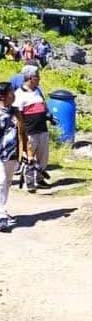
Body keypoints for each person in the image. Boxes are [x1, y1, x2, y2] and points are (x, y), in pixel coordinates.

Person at [13, 66, 54, 189]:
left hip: (42, 128)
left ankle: (40, 179)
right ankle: (29, 182)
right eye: (37, 77)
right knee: (29, 157)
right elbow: (17, 115)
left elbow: (43, 105)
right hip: (29, 130)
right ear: (31, 78)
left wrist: (47, 115)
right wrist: (22, 133)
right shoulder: (19, 94)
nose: (39, 79)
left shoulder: (38, 91)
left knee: (43, 156)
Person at [0, 82, 26, 231]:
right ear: (3, 96)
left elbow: (23, 133)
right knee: (1, 182)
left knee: (7, 182)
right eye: (11, 92)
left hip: (12, 154)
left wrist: (27, 152)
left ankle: (3, 209)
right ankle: (1, 215)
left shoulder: (15, 112)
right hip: (0, 154)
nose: (14, 94)